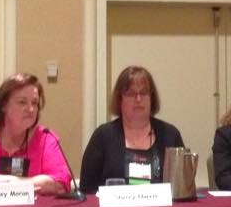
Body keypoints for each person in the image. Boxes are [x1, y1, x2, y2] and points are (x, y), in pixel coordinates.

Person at [79, 66, 184, 194]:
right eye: (131, 94)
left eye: (144, 93)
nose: (138, 99)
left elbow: (182, 188)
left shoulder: (170, 135)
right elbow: (87, 191)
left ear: (152, 98)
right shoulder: (102, 136)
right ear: (120, 99)